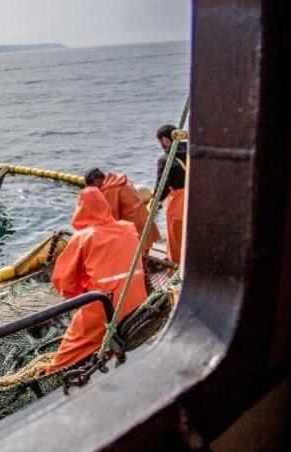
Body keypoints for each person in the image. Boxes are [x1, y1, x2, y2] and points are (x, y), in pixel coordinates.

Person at [45, 187, 148, 374]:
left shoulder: (83, 237)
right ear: (105, 207)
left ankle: (50, 375)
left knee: (63, 360)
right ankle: (113, 354)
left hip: (102, 315)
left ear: (81, 209)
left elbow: (64, 283)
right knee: (121, 337)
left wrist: (83, 287)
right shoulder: (128, 228)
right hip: (136, 311)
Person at [84, 167, 161, 253]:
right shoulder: (120, 180)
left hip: (134, 224)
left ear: (97, 181)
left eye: (91, 185)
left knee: (133, 252)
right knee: (143, 247)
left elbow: (111, 216)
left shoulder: (109, 190)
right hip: (145, 218)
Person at [155, 124, 189, 265]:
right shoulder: (191, 151)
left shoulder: (166, 160)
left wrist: (155, 203)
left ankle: (176, 268)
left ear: (165, 140)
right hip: (196, 195)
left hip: (179, 201)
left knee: (176, 236)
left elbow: (162, 188)